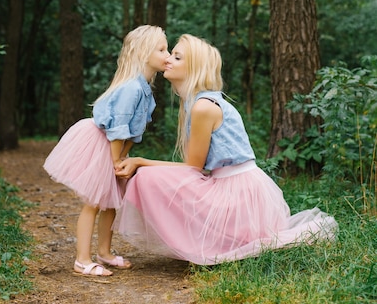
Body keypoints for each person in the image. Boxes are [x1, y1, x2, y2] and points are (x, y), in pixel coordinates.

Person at [114, 34, 338, 266]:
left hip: (239, 193)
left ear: (194, 68)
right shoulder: (196, 102)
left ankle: (201, 243)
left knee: (147, 177)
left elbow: (193, 168)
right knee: (150, 176)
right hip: (231, 185)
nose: (168, 59)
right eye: (171, 53)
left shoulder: (203, 107)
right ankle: (200, 240)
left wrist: (140, 161)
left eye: (177, 57)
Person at [44, 25, 169, 277]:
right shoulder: (132, 88)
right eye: (162, 49)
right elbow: (118, 128)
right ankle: (81, 259)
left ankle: (104, 252)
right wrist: (115, 160)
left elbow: (134, 133)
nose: (168, 54)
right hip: (102, 142)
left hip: (116, 148)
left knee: (111, 202)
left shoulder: (146, 91)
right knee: (93, 202)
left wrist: (123, 157)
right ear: (144, 53)